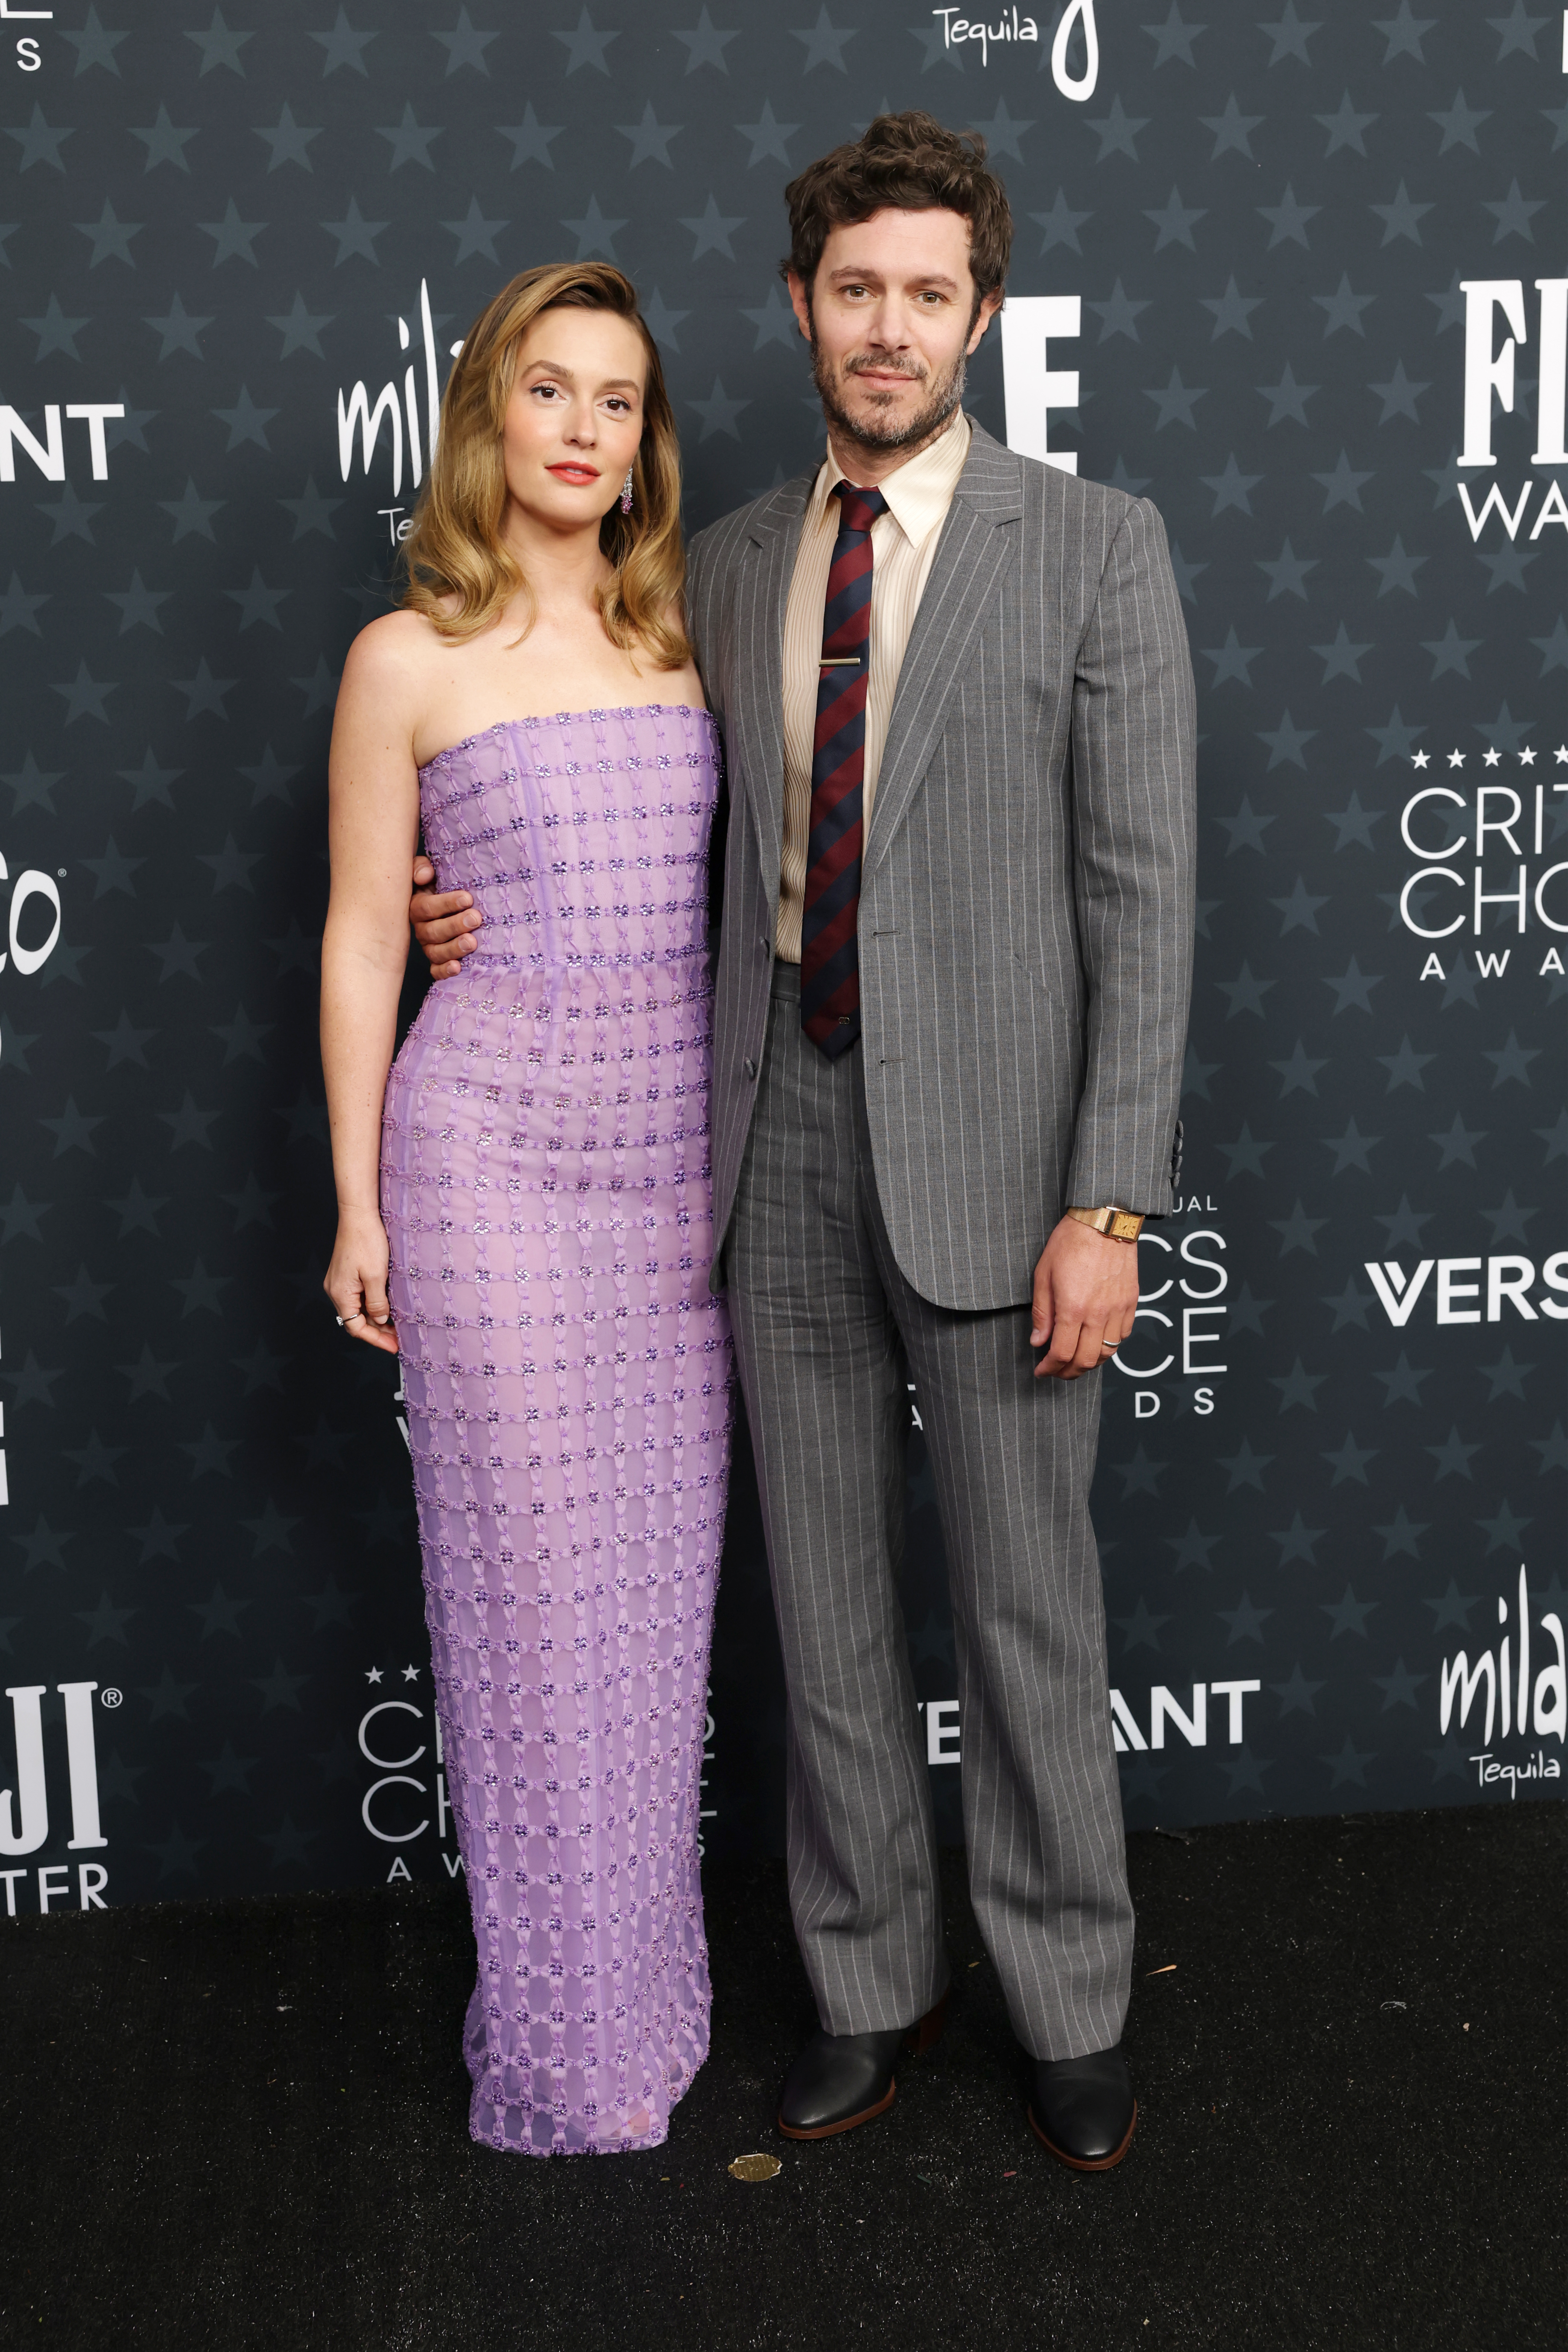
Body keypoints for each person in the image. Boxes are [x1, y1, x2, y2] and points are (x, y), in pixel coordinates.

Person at [411, 113, 1196, 2172]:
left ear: (981, 316)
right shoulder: (729, 563)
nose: (889, 327)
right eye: (856, 290)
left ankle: (1072, 1998)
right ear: (800, 306)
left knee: (1026, 1611)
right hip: (762, 1151)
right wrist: (452, 893)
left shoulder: (1094, 545)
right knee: (827, 1618)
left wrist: (1111, 1198)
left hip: (1009, 1174)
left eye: (928, 292)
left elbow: (1144, 899)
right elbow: (596, 797)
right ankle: (868, 1981)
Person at [320, 262, 733, 2157]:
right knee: (531, 1625)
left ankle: (650, 1999)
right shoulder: (405, 656)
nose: (582, 427)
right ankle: (566, 2048)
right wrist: (358, 1204)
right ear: (488, 410)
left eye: (618, 400)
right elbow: (361, 933)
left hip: (676, 1186)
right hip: (487, 1166)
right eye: (549, 388)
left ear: (646, 443)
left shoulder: (698, 629)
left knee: (649, 1624)